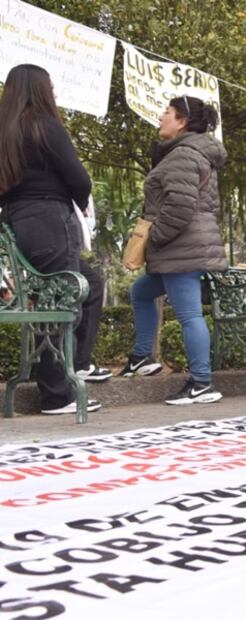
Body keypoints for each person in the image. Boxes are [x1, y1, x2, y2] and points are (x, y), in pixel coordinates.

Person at [0, 64, 106, 414]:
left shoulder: (5, 131)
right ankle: (57, 394)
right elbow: (79, 179)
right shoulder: (45, 125)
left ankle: (77, 366)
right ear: (40, 89)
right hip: (51, 219)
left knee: (89, 284)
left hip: (18, 223)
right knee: (60, 305)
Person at [122, 95, 227, 404]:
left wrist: (154, 239)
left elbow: (179, 208)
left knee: (189, 314)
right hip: (184, 247)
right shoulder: (188, 153)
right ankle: (143, 357)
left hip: (181, 248)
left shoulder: (183, 155)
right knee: (141, 293)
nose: (160, 117)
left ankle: (202, 383)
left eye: (166, 113)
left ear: (182, 121)